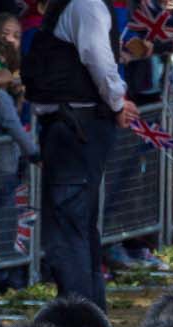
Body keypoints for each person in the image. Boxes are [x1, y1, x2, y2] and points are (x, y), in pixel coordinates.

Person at [23, 0, 139, 308]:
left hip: (75, 127)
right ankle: (89, 320)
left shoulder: (84, 5)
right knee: (77, 227)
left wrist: (116, 101)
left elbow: (97, 55)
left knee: (68, 228)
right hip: (75, 125)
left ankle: (79, 321)